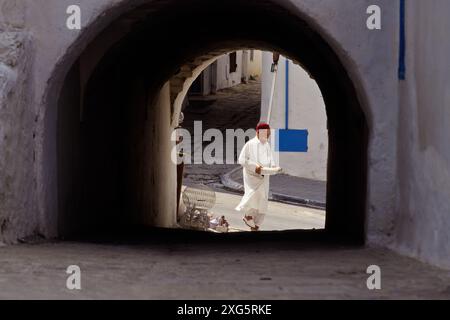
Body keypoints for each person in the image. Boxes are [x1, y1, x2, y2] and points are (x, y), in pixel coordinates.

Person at [235, 123, 282, 231]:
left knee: (263, 205)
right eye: (266, 133)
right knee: (254, 200)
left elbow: (271, 160)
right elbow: (242, 160)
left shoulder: (267, 145)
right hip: (253, 178)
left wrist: (274, 167)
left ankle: (255, 228)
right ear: (258, 133)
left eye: (269, 134)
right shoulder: (250, 144)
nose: (268, 136)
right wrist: (255, 167)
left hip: (265, 178)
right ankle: (248, 217)